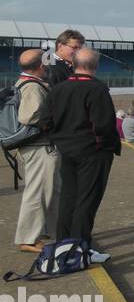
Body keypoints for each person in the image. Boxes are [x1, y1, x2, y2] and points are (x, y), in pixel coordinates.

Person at [46, 48, 118, 260]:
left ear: (73, 63)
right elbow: (104, 125)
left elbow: (45, 121)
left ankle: (63, 244)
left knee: (69, 197)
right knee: (87, 200)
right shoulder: (97, 89)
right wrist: (105, 145)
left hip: (67, 150)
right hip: (93, 152)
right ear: (95, 66)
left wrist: (61, 138)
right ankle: (79, 248)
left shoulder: (59, 89)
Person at [10, 49, 59, 254]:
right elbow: (29, 117)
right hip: (39, 147)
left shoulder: (23, 83)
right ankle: (28, 238)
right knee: (37, 192)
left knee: (46, 191)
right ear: (41, 66)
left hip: (37, 147)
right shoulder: (32, 86)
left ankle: (40, 233)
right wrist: (51, 124)